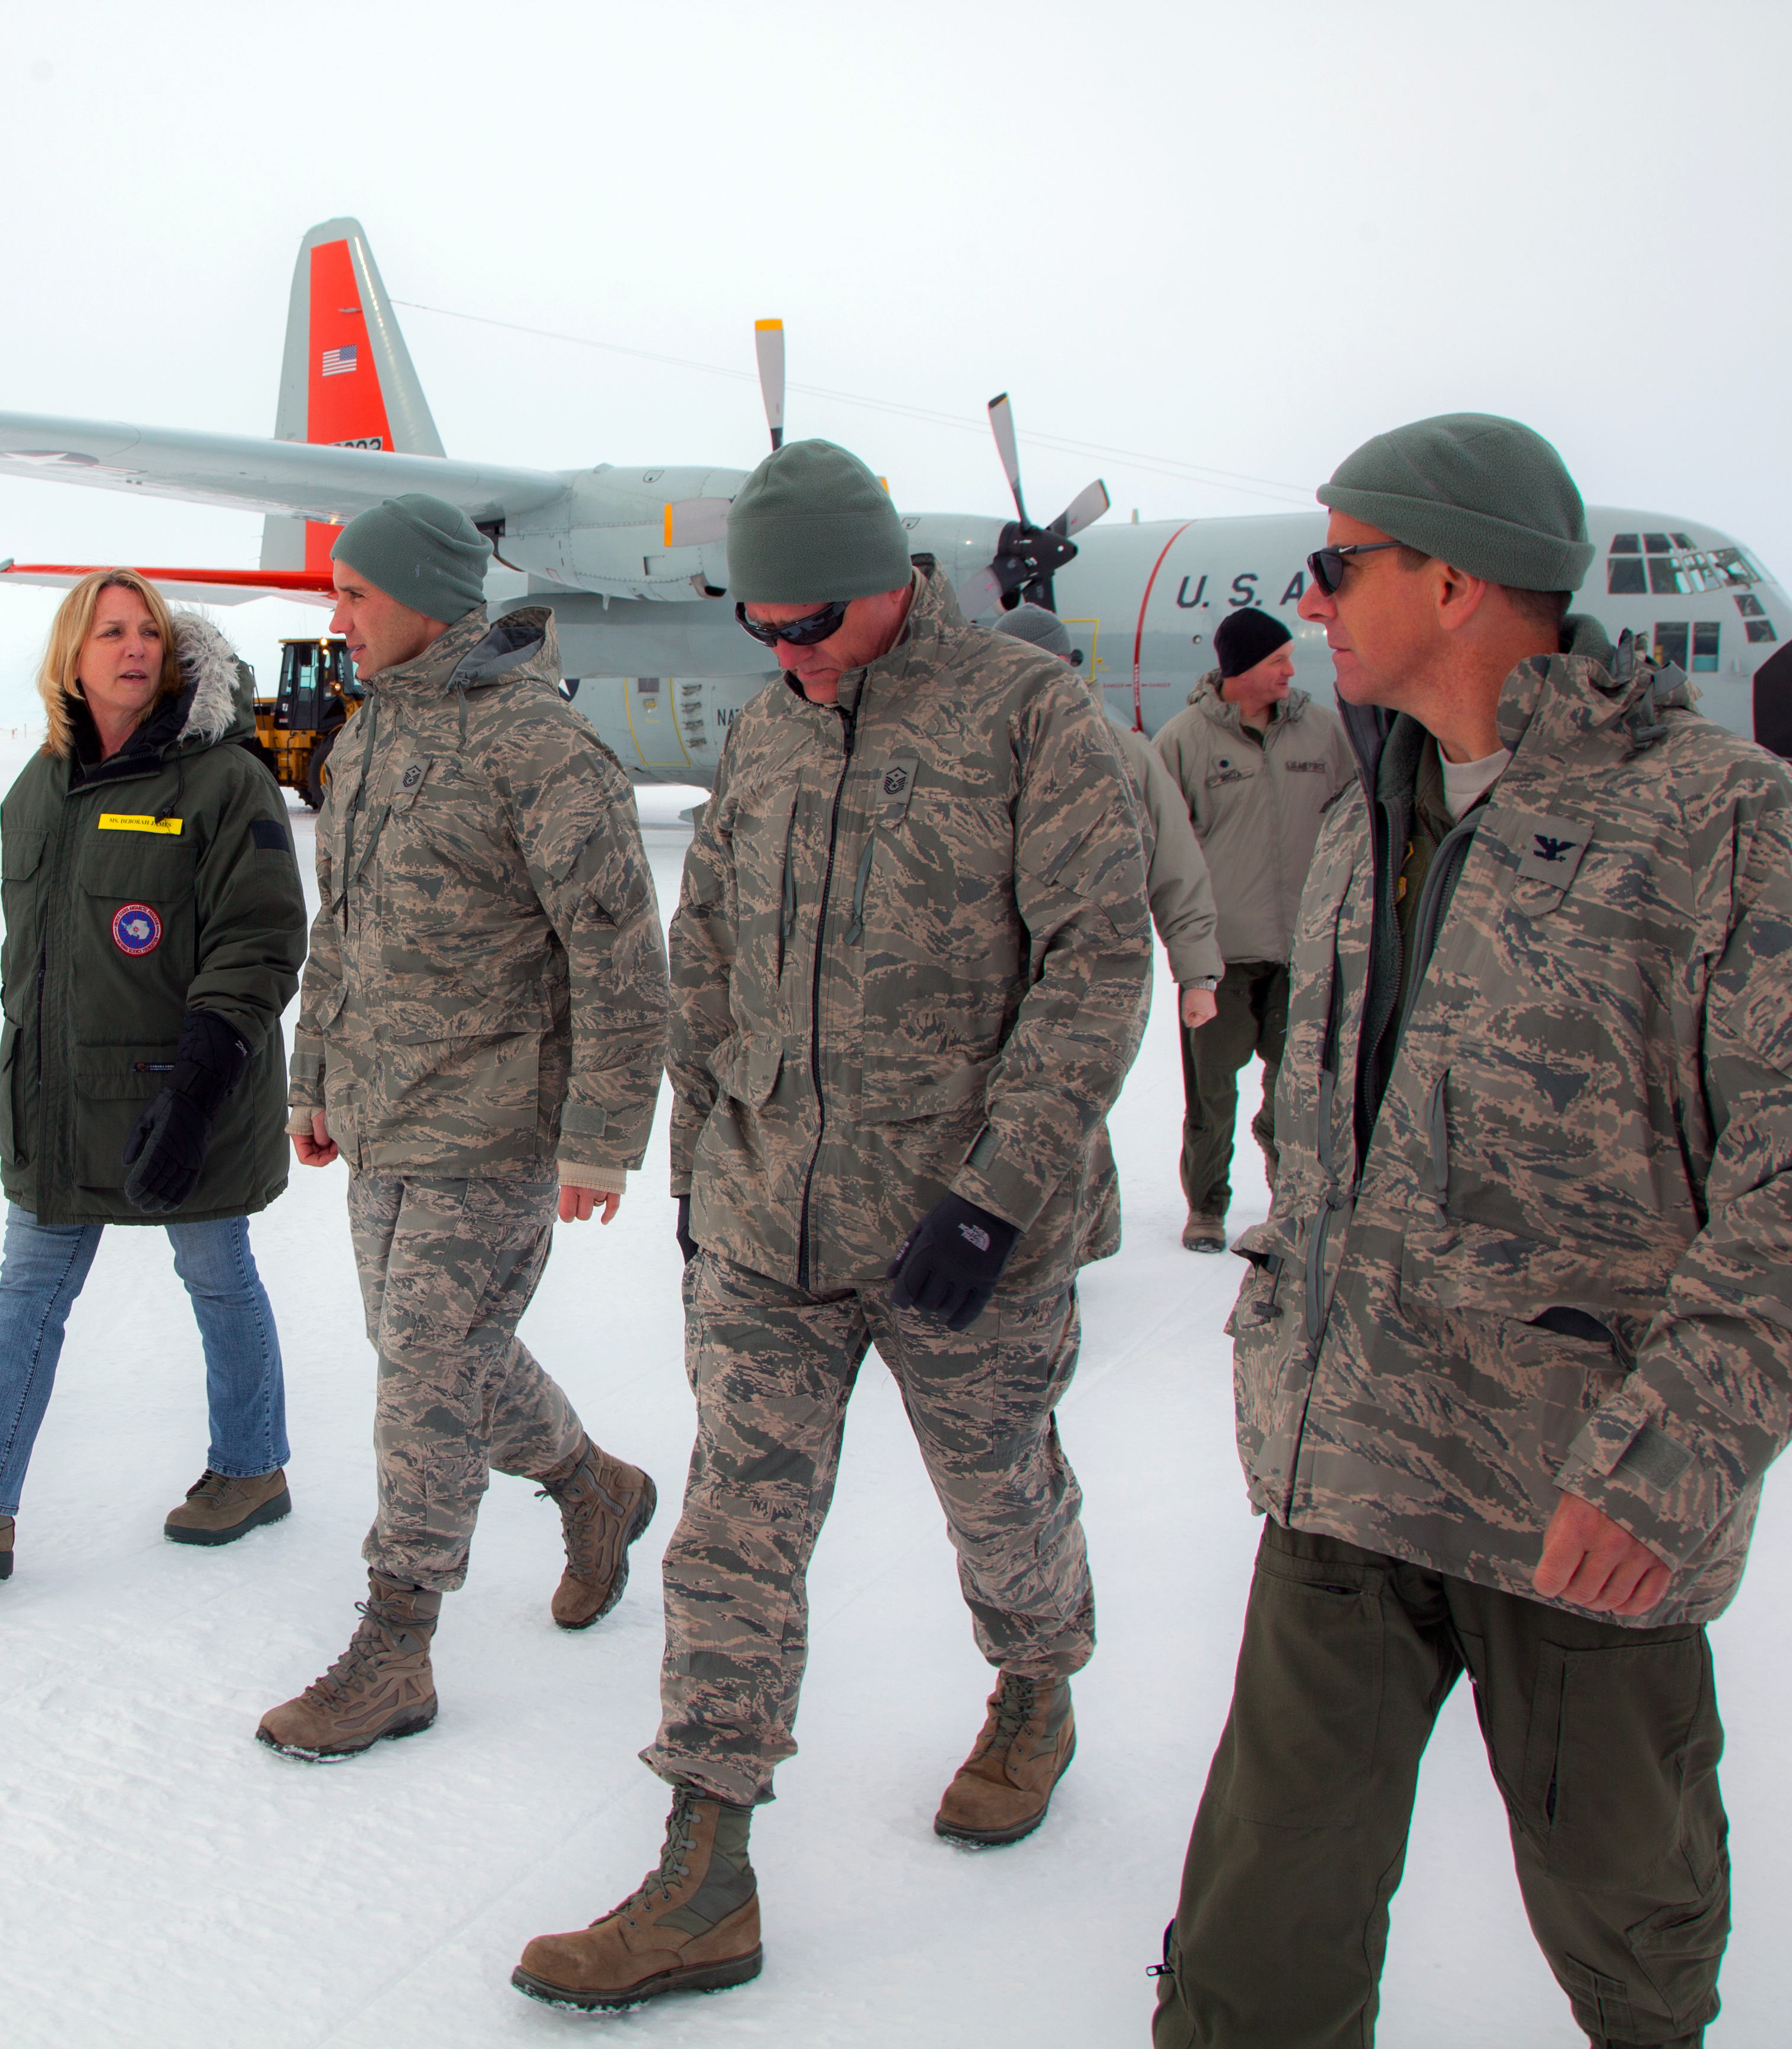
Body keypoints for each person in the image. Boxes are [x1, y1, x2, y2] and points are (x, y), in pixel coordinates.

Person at [1150, 415, 1792, 2048]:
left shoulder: (1718, 826)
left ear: (1452, 578)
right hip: (1345, 1476)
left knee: (1633, 1957)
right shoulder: (1370, 813)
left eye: (1338, 562)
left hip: (1576, 1508)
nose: (1310, 598)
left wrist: (1668, 1457)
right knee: (1247, 1963)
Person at [514, 442, 1153, 2012]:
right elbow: (708, 947)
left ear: (889, 582)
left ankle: (1033, 1684)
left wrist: (998, 1193)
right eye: (761, 629)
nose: (784, 655)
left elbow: (1095, 966)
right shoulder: (767, 730)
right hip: (764, 1221)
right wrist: (692, 1174)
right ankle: (702, 1866)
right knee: (733, 1538)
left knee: (999, 1496)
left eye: (808, 625)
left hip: (959, 1236)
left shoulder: (1024, 716)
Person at [258, 494, 668, 1761]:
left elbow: (620, 958)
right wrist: (312, 1074)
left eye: (354, 595)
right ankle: (592, 1486)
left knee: (425, 1369)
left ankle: (397, 1643)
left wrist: (601, 1135)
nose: (335, 618)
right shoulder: (371, 738)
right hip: (382, 1110)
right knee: (428, 1345)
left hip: (495, 1125)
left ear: (428, 599)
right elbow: (343, 929)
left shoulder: (540, 752)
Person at [0, 571, 306, 1579]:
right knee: (27, 1290)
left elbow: (259, 939)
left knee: (214, 1272)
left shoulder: (222, 779)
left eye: (147, 630)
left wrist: (197, 1090)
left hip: (180, 1093)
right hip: (64, 1099)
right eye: (110, 631)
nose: (134, 647)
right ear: (71, 656)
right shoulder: (41, 787)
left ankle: (250, 1467)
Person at [1152, 607, 1357, 1254]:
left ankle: (1289, 1194)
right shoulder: (1182, 742)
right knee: (1211, 1093)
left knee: (1297, 1086)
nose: (1290, 672)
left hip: (1306, 951)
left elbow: (1357, 825)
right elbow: (1157, 845)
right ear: (1239, 668)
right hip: (1221, 956)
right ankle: (1206, 1207)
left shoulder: (1323, 735)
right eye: (1276, 661)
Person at [996, 603, 1223, 1030]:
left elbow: (1176, 862)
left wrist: (1197, 972)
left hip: (1088, 992)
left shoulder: (1121, 751)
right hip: (982, 990)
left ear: (1065, 665)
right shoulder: (971, 753)